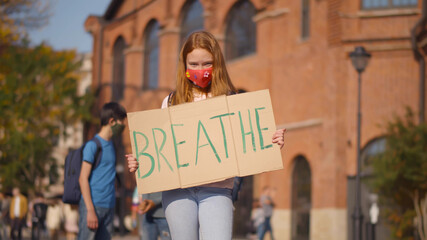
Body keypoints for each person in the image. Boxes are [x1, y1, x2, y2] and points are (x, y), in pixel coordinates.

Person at [126, 31, 286, 240]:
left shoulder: (231, 99)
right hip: (178, 192)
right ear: (184, 65)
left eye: (206, 63)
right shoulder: (171, 101)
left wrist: (271, 140)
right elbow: (160, 149)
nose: (200, 70)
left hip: (217, 190)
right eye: (193, 64)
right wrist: (140, 161)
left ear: (217, 63)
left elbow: (248, 141)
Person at [78, 102, 127, 240]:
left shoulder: (112, 145)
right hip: (93, 206)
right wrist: (90, 210)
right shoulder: (92, 145)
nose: (124, 125)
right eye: (122, 121)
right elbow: (82, 179)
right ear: (111, 121)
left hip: (109, 207)